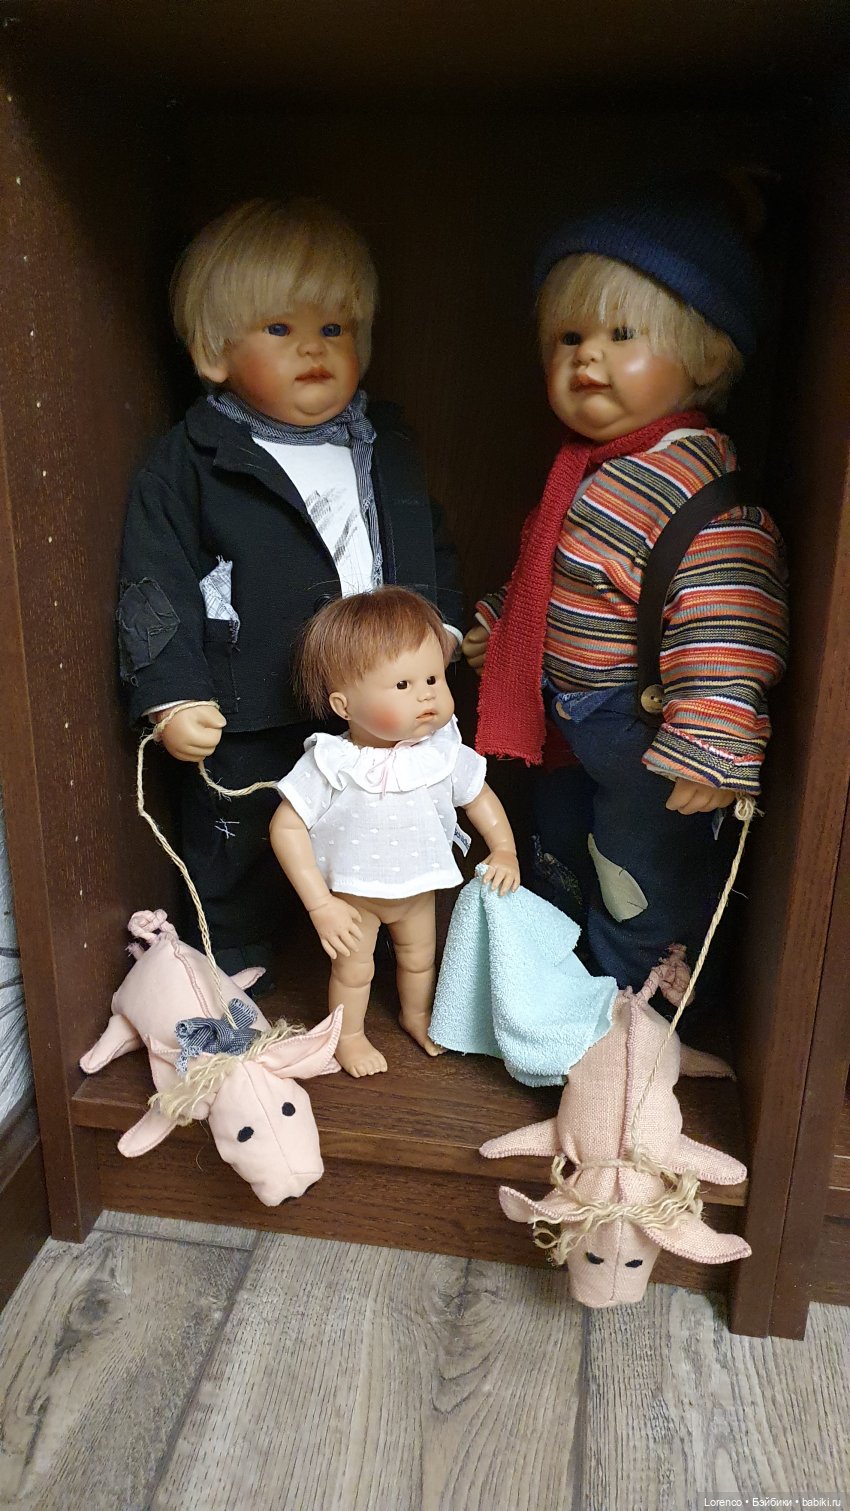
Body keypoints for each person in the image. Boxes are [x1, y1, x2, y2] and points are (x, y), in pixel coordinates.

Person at [462, 180, 789, 1009]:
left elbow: (727, 618)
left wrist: (712, 733)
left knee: (639, 871)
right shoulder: (593, 467)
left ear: (705, 355)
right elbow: (554, 569)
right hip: (573, 720)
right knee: (564, 843)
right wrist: (503, 624)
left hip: (648, 732)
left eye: (622, 335)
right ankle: (569, 979)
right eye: (568, 338)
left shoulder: (696, 487)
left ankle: (639, 999)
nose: (587, 359)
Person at [118, 199, 463, 980]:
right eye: (280, 328)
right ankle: (231, 953)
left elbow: (424, 540)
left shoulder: (383, 445)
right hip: (252, 696)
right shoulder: (194, 460)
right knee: (241, 825)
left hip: (376, 699)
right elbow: (155, 580)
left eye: (334, 328)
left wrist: (438, 629)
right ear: (214, 351)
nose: (314, 347)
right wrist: (171, 693)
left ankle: (390, 942)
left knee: (384, 816)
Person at [271, 587, 520, 1077]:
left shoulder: (442, 753)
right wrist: (320, 904)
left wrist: (505, 848)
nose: (426, 694)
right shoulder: (332, 761)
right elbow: (286, 826)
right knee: (353, 969)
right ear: (344, 705)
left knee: (420, 959)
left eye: (433, 678)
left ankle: (417, 1015)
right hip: (354, 898)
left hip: (418, 890)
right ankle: (349, 1036)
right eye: (403, 685)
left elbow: (480, 798)